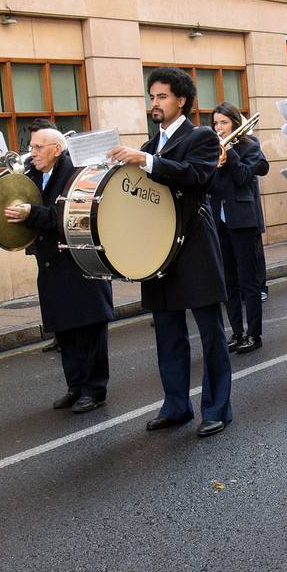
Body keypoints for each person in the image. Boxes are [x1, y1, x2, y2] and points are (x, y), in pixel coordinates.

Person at [107, 67, 231, 438]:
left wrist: (145, 162)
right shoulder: (149, 146)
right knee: (167, 333)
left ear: (181, 100)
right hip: (157, 253)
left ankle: (216, 409)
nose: (154, 103)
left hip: (194, 246)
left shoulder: (203, 137)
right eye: (152, 97)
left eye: (161, 96)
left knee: (211, 334)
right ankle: (175, 405)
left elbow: (196, 176)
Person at [3, 128, 113, 413]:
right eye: (31, 146)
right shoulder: (33, 177)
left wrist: (31, 214)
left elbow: (67, 215)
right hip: (51, 264)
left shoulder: (77, 172)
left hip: (80, 263)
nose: (33, 153)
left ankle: (94, 390)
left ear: (57, 149)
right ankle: (75, 386)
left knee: (88, 330)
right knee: (65, 331)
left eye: (39, 147)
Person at [208, 102, 269, 353]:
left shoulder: (249, 146)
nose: (219, 128)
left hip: (243, 221)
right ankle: (236, 333)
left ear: (234, 122)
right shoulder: (211, 150)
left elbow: (244, 178)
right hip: (219, 221)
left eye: (223, 122)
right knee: (229, 282)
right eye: (215, 123)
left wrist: (229, 153)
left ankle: (254, 334)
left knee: (249, 282)